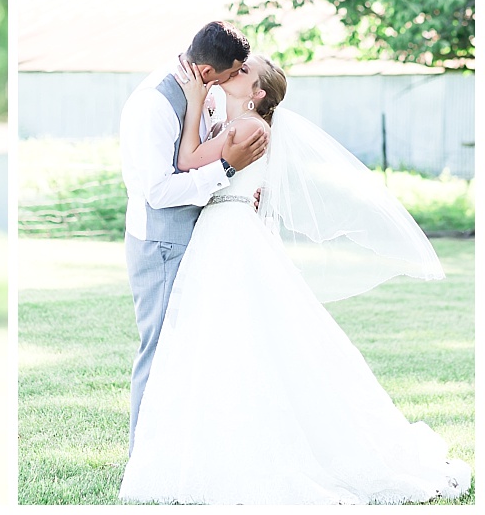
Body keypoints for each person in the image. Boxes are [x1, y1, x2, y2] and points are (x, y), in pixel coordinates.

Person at [118, 54, 473, 504]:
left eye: (243, 72)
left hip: (228, 236)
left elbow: (188, 162)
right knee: (212, 346)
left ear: (257, 93)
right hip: (220, 234)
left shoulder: (247, 129)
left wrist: (191, 102)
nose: (233, 74)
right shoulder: (230, 119)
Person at [118, 21, 268, 454]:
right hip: (162, 242)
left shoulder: (202, 91)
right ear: (207, 72)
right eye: (231, 73)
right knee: (160, 346)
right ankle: (142, 455)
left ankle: (184, 450)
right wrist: (227, 172)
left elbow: (206, 148)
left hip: (202, 236)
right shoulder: (154, 105)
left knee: (193, 348)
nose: (234, 80)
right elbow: (159, 190)